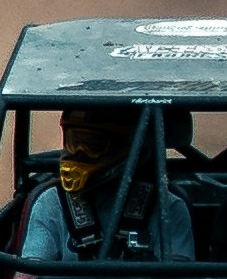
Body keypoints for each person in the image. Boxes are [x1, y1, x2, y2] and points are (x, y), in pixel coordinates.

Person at [20, 106, 195, 262]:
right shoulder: (51, 203)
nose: (79, 154)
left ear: (129, 147)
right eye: (73, 143)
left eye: (93, 145)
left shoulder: (168, 208)